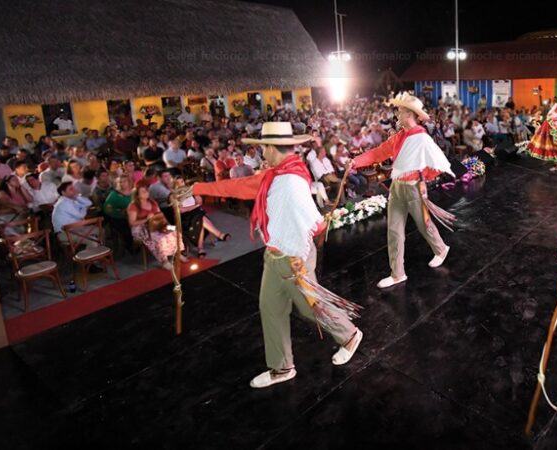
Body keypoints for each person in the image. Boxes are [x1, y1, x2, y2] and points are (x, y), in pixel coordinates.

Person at [191, 121, 364, 388]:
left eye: (264, 148)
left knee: (310, 308)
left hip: (292, 257)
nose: (262, 153)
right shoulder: (278, 174)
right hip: (276, 256)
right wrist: (197, 189)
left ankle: (349, 335)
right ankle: (282, 367)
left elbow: (315, 224)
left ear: (272, 148)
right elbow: (240, 186)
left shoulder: (288, 181)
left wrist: (296, 254)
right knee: (270, 308)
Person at [351, 93, 454, 289]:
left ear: (409, 114)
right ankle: (398, 273)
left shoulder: (421, 138)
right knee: (394, 230)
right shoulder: (399, 136)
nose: (397, 113)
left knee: (424, 225)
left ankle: (441, 249)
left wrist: (423, 178)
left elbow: (437, 161)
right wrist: (355, 162)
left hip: (414, 187)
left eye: (400, 111)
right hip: (397, 187)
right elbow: (378, 153)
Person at [127, 180, 186, 271]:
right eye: (143, 192)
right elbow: (132, 222)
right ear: (138, 195)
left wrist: (167, 225)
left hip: (157, 224)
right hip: (141, 228)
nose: (146, 193)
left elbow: (160, 215)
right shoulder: (133, 206)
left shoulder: (152, 202)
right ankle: (164, 261)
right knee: (158, 238)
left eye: (146, 191)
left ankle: (177, 253)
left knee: (174, 230)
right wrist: (146, 218)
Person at [103, 175, 134, 250]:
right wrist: (120, 211)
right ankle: (131, 248)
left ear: (129, 182)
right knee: (127, 231)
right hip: (118, 217)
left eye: (125, 181)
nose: (122, 183)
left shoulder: (134, 192)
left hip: (133, 215)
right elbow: (106, 209)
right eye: (120, 182)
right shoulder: (114, 194)